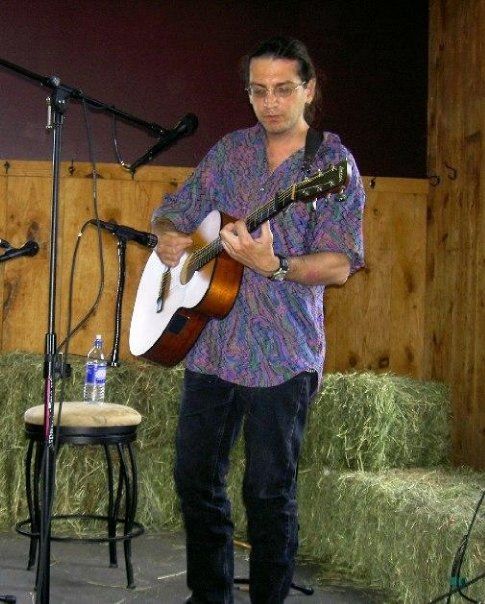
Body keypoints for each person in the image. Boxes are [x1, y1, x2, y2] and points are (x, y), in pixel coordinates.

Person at [151, 36, 365, 604]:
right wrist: (168, 236)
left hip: (282, 353)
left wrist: (275, 266)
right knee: (194, 477)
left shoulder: (330, 165)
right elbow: (175, 208)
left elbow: (340, 265)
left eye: (284, 89)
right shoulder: (230, 152)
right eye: (259, 90)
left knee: (268, 492)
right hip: (212, 344)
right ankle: (209, 595)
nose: (270, 102)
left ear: (309, 90)